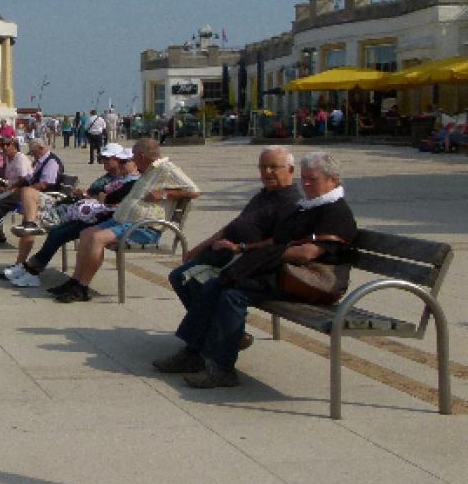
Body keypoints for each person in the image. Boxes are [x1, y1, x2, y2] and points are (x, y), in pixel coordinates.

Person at [154, 151, 357, 388]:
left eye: (313, 179)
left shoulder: (336, 212)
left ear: (333, 180)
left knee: (230, 293)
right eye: (305, 178)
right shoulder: (309, 207)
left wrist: (262, 257)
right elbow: (277, 240)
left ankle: (220, 368)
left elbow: (306, 254)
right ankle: (195, 352)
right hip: (289, 274)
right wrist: (245, 249)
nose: (307, 184)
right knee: (217, 285)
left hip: (311, 282)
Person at [168, 145, 302, 349]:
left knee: (201, 282)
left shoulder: (291, 202)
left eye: (274, 167)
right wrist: (202, 245)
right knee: (179, 276)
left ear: (290, 170)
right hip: (227, 254)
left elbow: (278, 242)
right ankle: (223, 332)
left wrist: (241, 247)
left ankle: (204, 342)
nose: (267, 172)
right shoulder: (264, 195)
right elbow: (235, 225)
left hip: (250, 263)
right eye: (263, 167)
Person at [51, 139, 200, 302]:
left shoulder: (167, 169)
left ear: (142, 156)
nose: (131, 160)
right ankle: (75, 281)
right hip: (124, 222)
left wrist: (165, 194)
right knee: (86, 234)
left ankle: (82, 287)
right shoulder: (148, 170)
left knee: (97, 238)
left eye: (133, 156)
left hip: (143, 228)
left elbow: (194, 191)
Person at [3, 144, 141, 288]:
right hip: (93, 213)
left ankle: (33, 261)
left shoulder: (131, 181)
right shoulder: (120, 178)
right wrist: (94, 196)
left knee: (59, 233)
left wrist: (97, 197)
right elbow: (104, 197)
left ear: (134, 163)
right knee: (57, 232)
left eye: (123, 161)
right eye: (102, 159)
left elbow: (111, 200)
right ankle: (30, 264)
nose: (120, 164)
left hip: (102, 217)